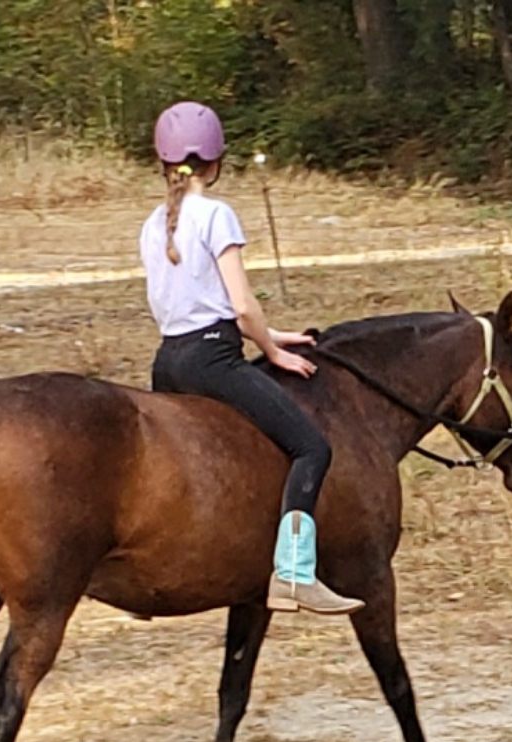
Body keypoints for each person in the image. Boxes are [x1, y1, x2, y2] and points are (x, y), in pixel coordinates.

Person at [140, 100, 364, 616]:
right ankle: (292, 574)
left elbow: (187, 303)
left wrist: (276, 334)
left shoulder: (154, 223)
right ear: (216, 164)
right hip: (213, 360)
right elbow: (240, 307)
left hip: (168, 361)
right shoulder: (217, 215)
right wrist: (271, 352)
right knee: (311, 447)